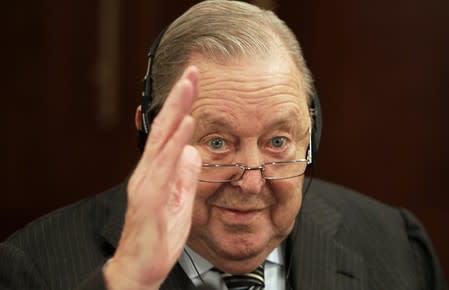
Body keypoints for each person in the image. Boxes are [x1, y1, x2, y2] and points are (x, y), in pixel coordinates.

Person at [0, 1, 447, 290]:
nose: (251, 183)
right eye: (217, 143)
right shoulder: (30, 268)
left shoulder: (396, 249)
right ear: (151, 139)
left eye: (276, 141)